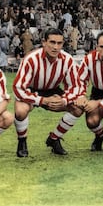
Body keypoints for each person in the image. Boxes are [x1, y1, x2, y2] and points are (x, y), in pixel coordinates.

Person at [13, 28, 83, 157]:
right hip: (32, 90)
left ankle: (54, 139)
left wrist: (64, 100)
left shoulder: (67, 60)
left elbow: (75, 87)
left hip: (53, 90)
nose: (56, 47)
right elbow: (18, 88)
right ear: (44, 42)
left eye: (59, 43)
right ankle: (22, 141)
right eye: (52, 42)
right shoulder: (31, 59)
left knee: (78, 109)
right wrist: (42, 100)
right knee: (20, 110)